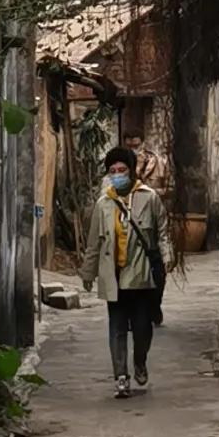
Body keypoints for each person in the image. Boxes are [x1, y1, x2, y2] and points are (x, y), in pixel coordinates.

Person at [83, 143, 170, 395]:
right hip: (114, 275)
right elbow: (94, 242)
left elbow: (162, 231)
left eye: (122, 169)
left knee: (142, 327)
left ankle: (140, 360)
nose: (117, 174)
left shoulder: (148, 198)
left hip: (141, 276)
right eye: (113, 170)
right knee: (117, 327)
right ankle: (121, 375)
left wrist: (167, 257)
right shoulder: (103, 204)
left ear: (131, 171)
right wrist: (89, 273)